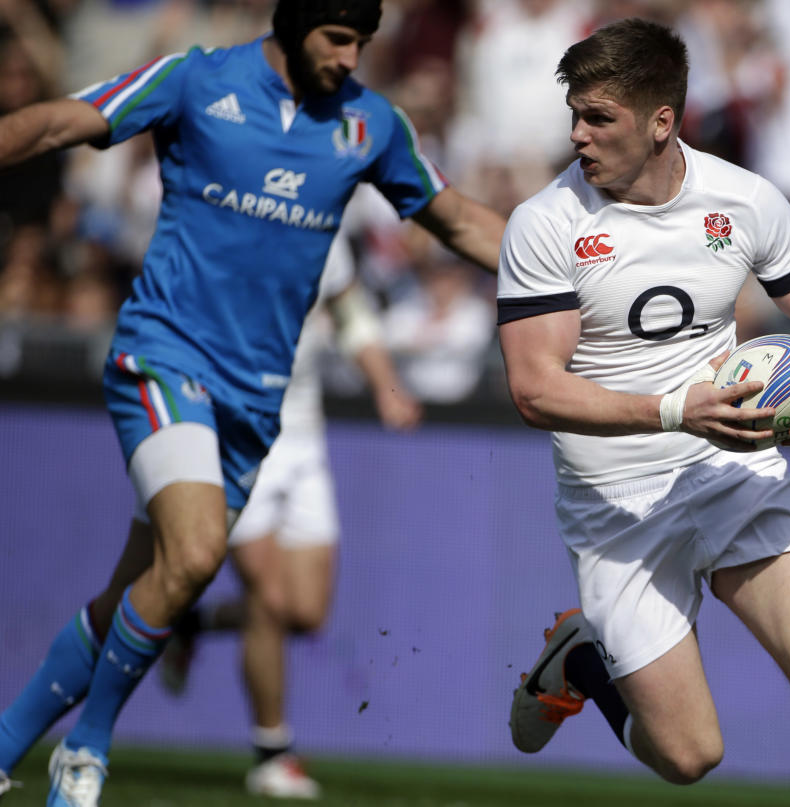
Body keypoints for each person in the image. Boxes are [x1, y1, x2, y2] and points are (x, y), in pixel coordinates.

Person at [0, 1, 505, 804]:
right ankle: (86, 750)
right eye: (337, 38)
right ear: (295, 20)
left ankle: (5, 743)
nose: (350, 57)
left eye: (363, 42)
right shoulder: (198, 80)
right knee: (197, 555)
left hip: (256, 402)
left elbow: (461, 221)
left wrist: (568, 273)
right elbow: (61, 123)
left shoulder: (370, 125)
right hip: (164, 359)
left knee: (147, 585)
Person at [498, 18, 790, 807]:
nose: (578, 134)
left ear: (662, 122)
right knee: (688, 754)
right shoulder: (547, 224)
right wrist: (676, 409)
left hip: (731, 472)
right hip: (618, 510)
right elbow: (535, 388)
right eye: (574, 113)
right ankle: (583, 660)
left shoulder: (742, 200)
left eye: (599, 117)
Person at [159, 232, 422, 800]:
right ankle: (273, 752)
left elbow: (351, 314)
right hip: (238, 436)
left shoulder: (326, 233)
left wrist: (386, 386)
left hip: (304, 439)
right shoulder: (225, 222)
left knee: (305, 612)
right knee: (268, 601)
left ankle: (190, 624)